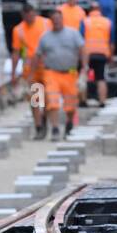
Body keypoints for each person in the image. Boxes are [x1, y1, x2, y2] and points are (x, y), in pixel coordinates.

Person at [34, 8, 87, 141]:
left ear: (62, 19)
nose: (56, 22)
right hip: (51, 73)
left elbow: (82, 50)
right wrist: (31, 75)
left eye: (58, 19)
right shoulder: (45, 37)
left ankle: (69, 123)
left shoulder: (73, 34)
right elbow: (38, 55)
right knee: (52, 101)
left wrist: (84, 68)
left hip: (70, 73)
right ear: (51, 21)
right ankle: (55, 128)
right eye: (54, 20)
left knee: (71, 104)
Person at [9, 4, 52, 137]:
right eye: (26, 15)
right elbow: (16, 52)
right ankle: (38, 126)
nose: (29, 18)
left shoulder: (46, 23)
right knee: (35, 99)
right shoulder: (19, 30)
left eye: (31, 14)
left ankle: (44, 118)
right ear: (23, 15)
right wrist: (14, 72)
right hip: (30, 70)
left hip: (46, 67)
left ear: (35, 13)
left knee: (49, 98)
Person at [81, 4, 114, 105]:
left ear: (89, 10)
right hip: (102, 54)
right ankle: (102, 101)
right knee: (101, 78)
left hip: (87, 54)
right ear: (100, 10)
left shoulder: (85, 21)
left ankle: (83, 100)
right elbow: (111, 41)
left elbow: (80, 40)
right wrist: (110, 56)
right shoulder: (107, 22)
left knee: (84, 77)